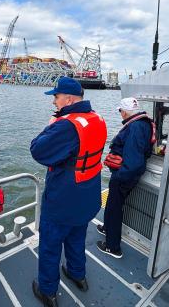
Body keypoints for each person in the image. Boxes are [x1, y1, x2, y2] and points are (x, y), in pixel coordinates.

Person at [30, 77, 107, 307]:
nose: (54, 101)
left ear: (69, 99)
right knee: (76, 237)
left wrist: (51, 125)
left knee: (50, 246)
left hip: (63, 200)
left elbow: (38, 150)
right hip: (87, 196)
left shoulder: (65, 125)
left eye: (56, 97)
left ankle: (48, 292)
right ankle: (77, 274)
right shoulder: (98, 118)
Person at [96, 97, 154, 258]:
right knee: (113, 204)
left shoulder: (135, 127)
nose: (120, 114)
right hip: (128, 173)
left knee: (115, 208)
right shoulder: (144, 123)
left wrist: (119, 176)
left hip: (124, 175)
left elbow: (134, 159)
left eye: (121, 110)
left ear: (126, 111)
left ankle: (112, 247)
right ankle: (107, 228)